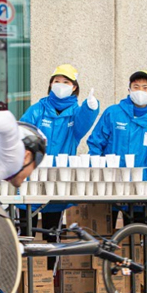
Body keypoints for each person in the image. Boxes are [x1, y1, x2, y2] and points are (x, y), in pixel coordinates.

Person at [19, 64, 98, 232]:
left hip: (58, 179)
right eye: (57, 81)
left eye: (66, 82)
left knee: (52, 231)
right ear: (50, 84)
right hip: (32, 176)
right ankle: (24, 259)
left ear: (74, 87)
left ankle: (52, 259)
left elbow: (83, 122)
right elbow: (22, 133)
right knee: (25, 231)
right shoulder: (38, 110)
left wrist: (91, 108)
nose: (60, 85)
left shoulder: (76, 114)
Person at [87, 70, 147, 170]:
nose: (140, 91)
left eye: (145, 87)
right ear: (129, 89)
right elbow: (96, 143)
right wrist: (94, 172)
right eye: (136, 87)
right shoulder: (113, 113)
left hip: (142, 180)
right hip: (112, 178)